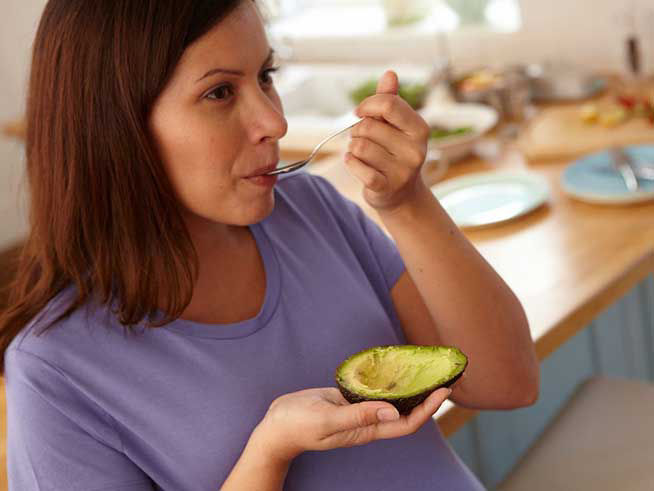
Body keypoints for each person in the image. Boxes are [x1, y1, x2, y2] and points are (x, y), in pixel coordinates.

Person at [0, 0, 540, 490]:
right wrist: (269, 452)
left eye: (266, 75)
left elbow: (506, 382)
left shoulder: (312, 209)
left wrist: (407, 204)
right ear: (114, 126)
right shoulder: (55, 369)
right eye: (219, 92)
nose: (274, 121)